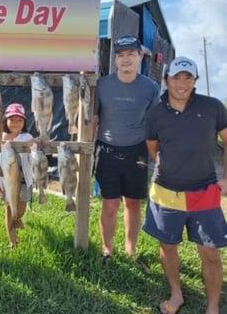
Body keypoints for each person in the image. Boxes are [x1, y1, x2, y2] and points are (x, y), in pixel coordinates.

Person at [143, 56, 227, 314]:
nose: (181, 84)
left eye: (187, 78)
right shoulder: (155, 113)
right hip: (166, 192)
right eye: (176, 78)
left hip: (205, 192)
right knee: (168, 247)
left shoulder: (212, 107)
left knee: (210, 253)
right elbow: (153, 149)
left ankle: (212, 307)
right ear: (166, 80)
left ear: (195, 81)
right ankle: (176, 295)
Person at [92, 35, 160, 264]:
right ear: (115, 59)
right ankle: (107, 249)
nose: (126, 60)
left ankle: (130, 248)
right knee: (110, 203)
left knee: (133, 202)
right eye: (120, 55)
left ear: (140, 56)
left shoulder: (151, 87)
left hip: (137, 151)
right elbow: (94, 118)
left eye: (131, 54)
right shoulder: (103, 84)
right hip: (107, 149)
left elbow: (155, 123)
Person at [0, 103, 34, 248]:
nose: (16, 123)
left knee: (20, 209)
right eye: (12, 119)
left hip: (24, 181)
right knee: (9, 208)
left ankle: (18, 219)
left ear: (24, 122)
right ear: (5, 120)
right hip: (7, 182)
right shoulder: (0, 138)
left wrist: (34, 148)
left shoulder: (27, 137)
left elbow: (32, 159)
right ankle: (12, 240)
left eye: (19, 120)